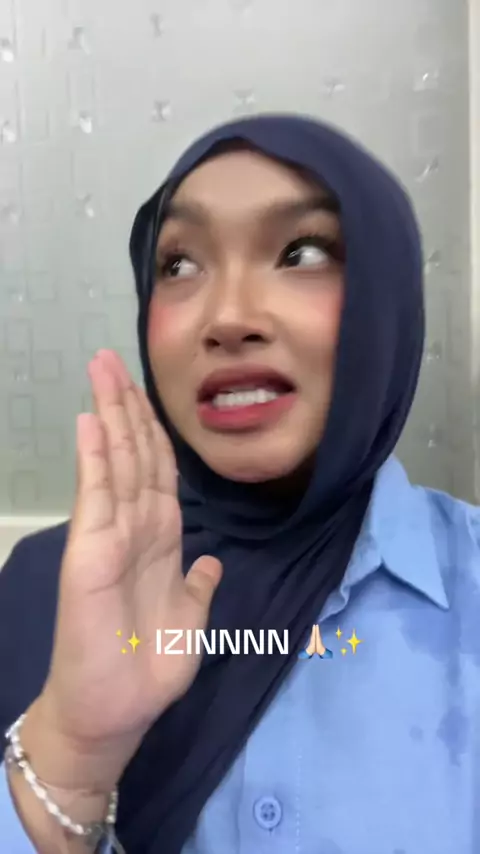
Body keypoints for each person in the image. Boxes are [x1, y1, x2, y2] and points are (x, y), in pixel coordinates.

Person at [0, 112, 479, 854]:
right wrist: (71, 753)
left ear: (386, 298)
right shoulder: (42, 589)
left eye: (302, 252)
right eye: (179, 265)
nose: (226, 318)